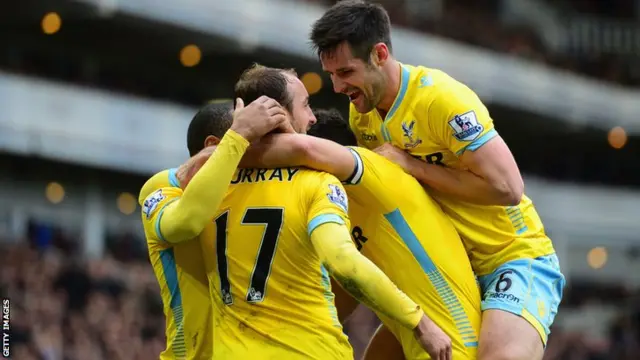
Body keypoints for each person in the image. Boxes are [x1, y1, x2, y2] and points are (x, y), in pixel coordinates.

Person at [309, 2, 565, 359]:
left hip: (510, 256)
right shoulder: (362, 114)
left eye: (346, 71)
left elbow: (508, 188)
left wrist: (414, 166)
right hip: (446, 269)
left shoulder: (441, 99)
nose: (337, 86)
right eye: (331, 74)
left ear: (380, 54)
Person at [173, 63, 441, 360]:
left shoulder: (207, 189)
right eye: (305, 105)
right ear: (277, 114)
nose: (312, 117)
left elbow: (180, 232)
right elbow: (343, 262)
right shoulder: (316, 183)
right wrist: (419, 321)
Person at [138, 96, 289, 359]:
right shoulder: (165, 185)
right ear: (214, 145)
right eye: (249, 140)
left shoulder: (253, 196)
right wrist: (238, 136)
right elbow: (185, 223)